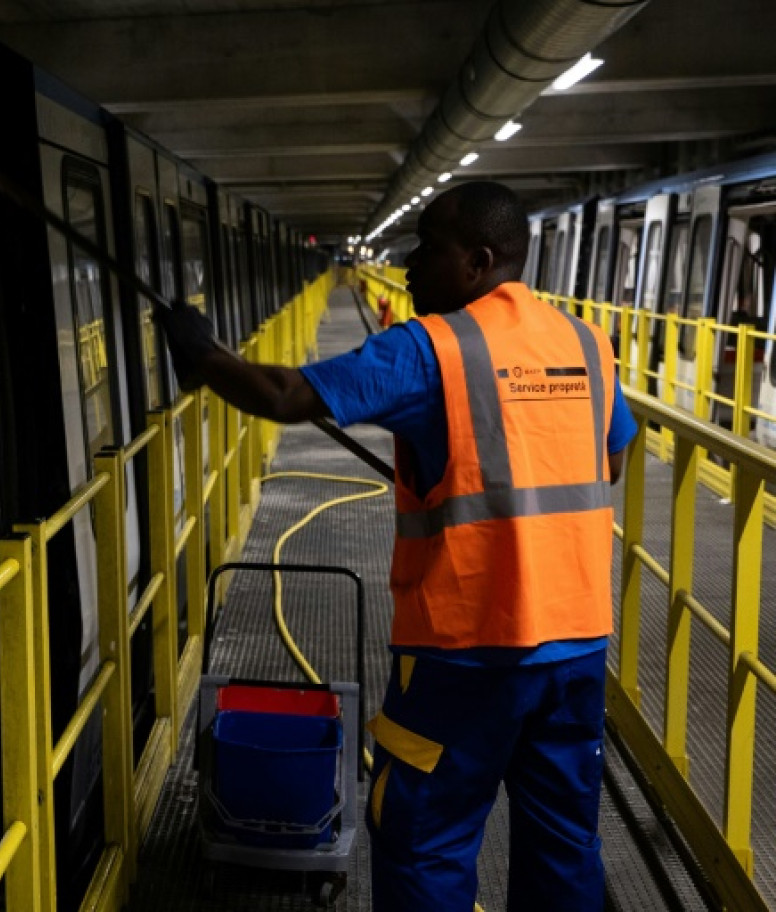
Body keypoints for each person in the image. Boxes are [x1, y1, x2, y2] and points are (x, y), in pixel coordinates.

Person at [156, 181, 637, 911]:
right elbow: (613, 458)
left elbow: (284, 395)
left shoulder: (431, 348)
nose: (408, 265)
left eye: (428, 246)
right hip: (576, 649)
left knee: (424, 840)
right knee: (565, 843)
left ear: (477, 261)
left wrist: (200, 355)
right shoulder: (584, 343)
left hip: (465, 656)